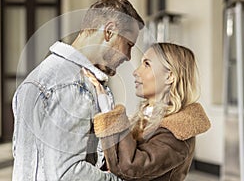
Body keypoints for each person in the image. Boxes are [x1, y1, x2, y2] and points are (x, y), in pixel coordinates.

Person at [11, 0, 144, 181]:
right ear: (109, 31)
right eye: (128, 45)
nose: (129, 57)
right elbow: (68, 174)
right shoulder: (73, 85)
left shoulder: (39, 76)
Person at [85, 43, 211, 181]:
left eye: (146, 64)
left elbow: (129, 168)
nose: (136, 72)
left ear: (169, 76)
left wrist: (108, 112)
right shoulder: (143, 118)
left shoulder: (177, 132)